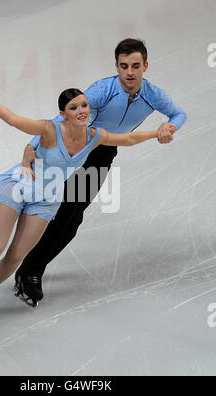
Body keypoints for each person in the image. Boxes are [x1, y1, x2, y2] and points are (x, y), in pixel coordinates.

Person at [0, 72, 162, 336]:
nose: (81, 110)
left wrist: (156, 133)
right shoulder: (50, 130)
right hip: (20, 186)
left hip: (47, 198)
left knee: (16, 255)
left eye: (84, 105)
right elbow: (14, 120)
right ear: (63, 113)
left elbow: (127, 139)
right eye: (74, 107)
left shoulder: (94, 136)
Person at [13, 38, 187, 307]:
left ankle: (30, 268)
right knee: (52, 208)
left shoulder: (152, 94)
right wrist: (31, 145)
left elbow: (178, 114)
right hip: (73, 147)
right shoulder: (101, 91)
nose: (129, 72)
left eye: (135, 66)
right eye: (124, 65)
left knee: (71, 218)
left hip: (102, 154)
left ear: (145, 66)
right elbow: (60, 119)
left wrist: (169, 127)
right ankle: (26, 267)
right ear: (116, 66)